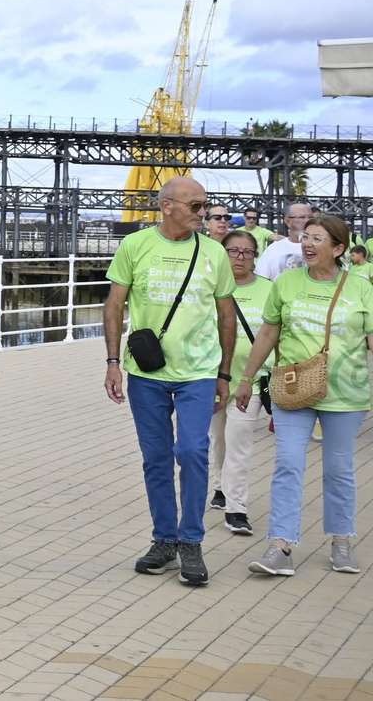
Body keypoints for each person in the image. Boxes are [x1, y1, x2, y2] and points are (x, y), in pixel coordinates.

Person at [103, 177, 237, 584]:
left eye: (205, 205)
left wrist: (224, 373)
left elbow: (226, 315)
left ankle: (191, 542)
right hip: (147, 373)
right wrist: (112, 361)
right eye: (194, 206)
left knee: (193, 451)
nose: (203, 213)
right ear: (166, 206)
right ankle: (164, 539)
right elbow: (114, 304)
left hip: (198, 372)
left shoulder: (213, 252)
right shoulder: (136, 246)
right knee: (156, 458)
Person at [239, 214, 371, 577]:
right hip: (293, 388)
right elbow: (267, 334)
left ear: (339, 248)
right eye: (305, 236)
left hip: (347, 394)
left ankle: (341, 540)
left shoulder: (362, 288)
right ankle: (280, 546)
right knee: (287, 464)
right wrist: (247, 378)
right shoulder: (287, 282)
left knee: (340, 469)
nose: (308, 244)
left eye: (317, 239)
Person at [206, 231, 271, 536]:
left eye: (247, 252)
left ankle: (237, 509)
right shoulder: (209, 288)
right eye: (233, 251)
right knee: (217, 439)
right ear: (222, 254)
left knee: (240, 441)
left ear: (255, 257)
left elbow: (276, 334)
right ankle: (219, 486)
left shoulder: (270, 290)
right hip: (212, 375)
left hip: (251, 380)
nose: (240, 258)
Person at [256, 203, 312, 281]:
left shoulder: (321, 247)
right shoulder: (274, 249)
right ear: (288, 221)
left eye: (311, 217)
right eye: (301, 217)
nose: (307, 221)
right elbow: (261, 280)